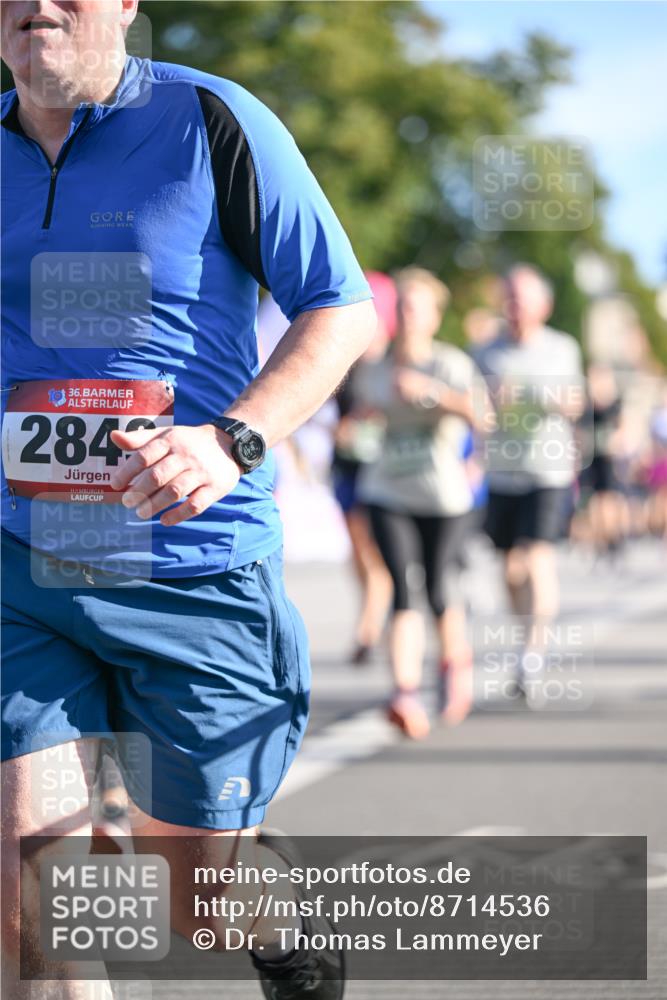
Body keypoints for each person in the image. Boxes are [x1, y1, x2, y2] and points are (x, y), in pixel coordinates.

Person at [0, 3, 376, 999]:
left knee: (200, 901)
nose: (35, 3)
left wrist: (233, 438)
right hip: (22, 569)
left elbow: (338, 307)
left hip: (192, 570)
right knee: (32, 885)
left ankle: (288, 934)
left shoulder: (212, 121)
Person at [358, 268, 482, 738]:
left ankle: (455, 664)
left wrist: (430, 394)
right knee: (402, 586)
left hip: (444, 497)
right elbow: (361, 421)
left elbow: (479, 414)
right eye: (401, 305)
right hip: (387, 491)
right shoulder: (375, 367)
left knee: (437, 588)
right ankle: (404, 693)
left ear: (434, 316)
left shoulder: (450, 364)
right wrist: (359, 425)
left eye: (416, 306)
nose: (407, 314)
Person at [473, 264, 585, 705]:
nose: (513, 306)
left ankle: (533, 655)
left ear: (543, 305)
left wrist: (534, 395)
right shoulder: (485, 352)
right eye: (509, 297)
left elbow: (575, 403)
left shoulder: (561, 348)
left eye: (521, 298)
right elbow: (474, 407)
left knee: (536, 558)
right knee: (510, 568)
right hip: (502, 472)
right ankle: (528, 639)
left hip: (547, 471)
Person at [331, 271, 396, 664]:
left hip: (382, 466)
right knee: (357, 552)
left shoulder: (392, 362)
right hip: (347, 465)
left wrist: (370, 419)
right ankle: (372, 612)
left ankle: (368, 629)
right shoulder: (348, 354)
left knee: (374, 551)